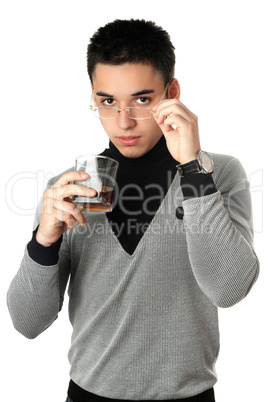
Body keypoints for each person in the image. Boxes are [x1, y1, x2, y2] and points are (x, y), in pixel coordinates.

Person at [7, 19, 259, 402]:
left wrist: (192, 170)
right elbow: (27, 323)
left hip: (188, 397)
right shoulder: (69, 188)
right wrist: (44, 240)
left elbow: (229, 290)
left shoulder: (218, 173)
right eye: (108, 101)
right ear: (93, 95)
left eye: (142, 100)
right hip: (88, 395)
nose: (123, 123)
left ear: (171, 92)